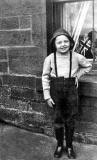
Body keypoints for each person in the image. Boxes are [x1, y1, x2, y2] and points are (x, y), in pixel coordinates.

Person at [42, 28, 92, 159]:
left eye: (66, 41)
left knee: (70, 120)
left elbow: (88, 66)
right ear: (54, 44)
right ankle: (59, 145)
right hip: (55, 92)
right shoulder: (50, 58)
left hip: (71, 91)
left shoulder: (76, 56)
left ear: (70, 43)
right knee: (58, 119)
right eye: (59, 42)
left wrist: (78, 75)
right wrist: (47, 95)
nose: (63, 44)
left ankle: (69, 146)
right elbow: (45, 77)